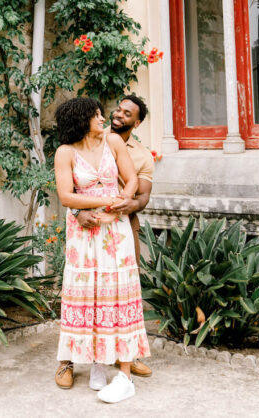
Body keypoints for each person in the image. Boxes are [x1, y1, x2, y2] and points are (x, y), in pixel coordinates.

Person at [52, 96, 150, 404]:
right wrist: (100, 204)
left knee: (118, 291)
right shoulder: (65, 153)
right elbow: (67, 197)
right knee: (89, 292)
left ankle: (122, 372)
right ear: (81, 120)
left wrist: (123, 200)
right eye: (96, 115)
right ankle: (94, 363)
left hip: (115, 229)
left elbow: (132, 178)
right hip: (85, 232)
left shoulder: (114, 143)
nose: (103, 118)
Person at [74, 94, 154, 379]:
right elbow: (71, 185)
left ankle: (125, 355)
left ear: (138, 121)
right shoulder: (90, 136)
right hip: (87, 220)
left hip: (122, 224)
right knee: (83, 289)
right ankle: (68, 360)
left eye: (127, 113)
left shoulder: (143, 155)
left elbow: (143, 196)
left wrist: (125, 204)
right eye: (118, 109)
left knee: (123, 288)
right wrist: (77, 213)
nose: (118, 114)